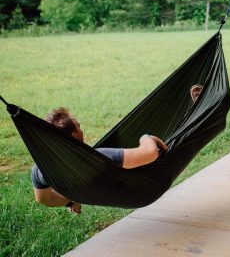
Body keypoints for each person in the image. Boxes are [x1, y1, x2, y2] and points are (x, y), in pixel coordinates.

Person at [31, 85, 203, 214]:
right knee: (176, 146)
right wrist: (146, 137)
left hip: (119, 192)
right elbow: (150, 154)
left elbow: (44, 199)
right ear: (75, 135)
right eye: (79, 126)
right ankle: (201, 111)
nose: (82, 129)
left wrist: (72, 199)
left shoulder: (41, 169)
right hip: (143, 190)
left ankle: (196, 110)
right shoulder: (98, 158)